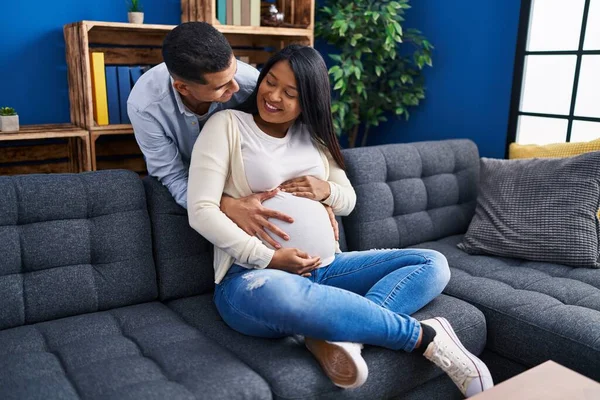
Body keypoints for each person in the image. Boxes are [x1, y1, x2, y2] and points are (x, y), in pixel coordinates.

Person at [187, 45, 494, 396]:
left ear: (309, 101)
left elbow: (348, 200)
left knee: (431, 263)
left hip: (330, 268)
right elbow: (202, 210)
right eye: (270, 82)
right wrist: (269, 258)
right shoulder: (227, 125)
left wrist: (324, 190)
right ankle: (425, 337)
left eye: (290, 93)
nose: (273, 96)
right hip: (252, 277)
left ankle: (344, 337)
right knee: (284, 296)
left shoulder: (314, 137)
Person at [128, 21, 339, 250]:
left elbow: (283, 148)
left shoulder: (252, 83)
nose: (236, 88)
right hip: (195, 198)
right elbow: (172, 175)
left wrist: (320, 199)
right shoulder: (145, 106)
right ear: (183, 88)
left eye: (234, 72)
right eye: (222, 87)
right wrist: (225, 205)